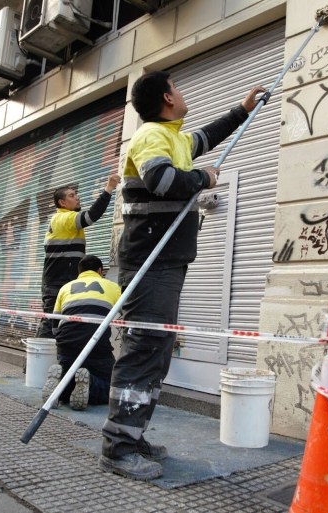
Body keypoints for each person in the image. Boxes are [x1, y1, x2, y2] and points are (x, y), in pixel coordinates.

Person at [99, 70, 265, 480]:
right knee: (143, 349)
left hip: (167, 262)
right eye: (180, 86)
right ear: (168, 98)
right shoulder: (151, 136)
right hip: (150, 261)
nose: (184, 92)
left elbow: (206, 137)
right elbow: (163, 181)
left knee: (156, 350)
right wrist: (202, 179)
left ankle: (132, 434)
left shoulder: (173, 138)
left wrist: (242, 111)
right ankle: (117, 449)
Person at [37, 172, 120, 338]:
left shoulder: (65, 220)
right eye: (72, 195)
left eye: (76, 194)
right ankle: (34, 363)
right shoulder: (63, 219)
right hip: (57, 283)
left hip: (61, 281)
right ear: (62, 202)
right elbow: (91, 216)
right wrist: (109, 188)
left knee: (60, 324)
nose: (77, 198)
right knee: (50, 326)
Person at [41, 255, 121, 410]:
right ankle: (89, 384)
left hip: (66, 344)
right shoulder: (111, 286)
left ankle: (61, 386)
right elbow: (129, 312)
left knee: (69, 373)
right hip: (96, 345)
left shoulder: (66, 288)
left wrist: (63, 343)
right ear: (100, 271)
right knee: (113, 386)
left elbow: (55, 321)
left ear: (79, 272)